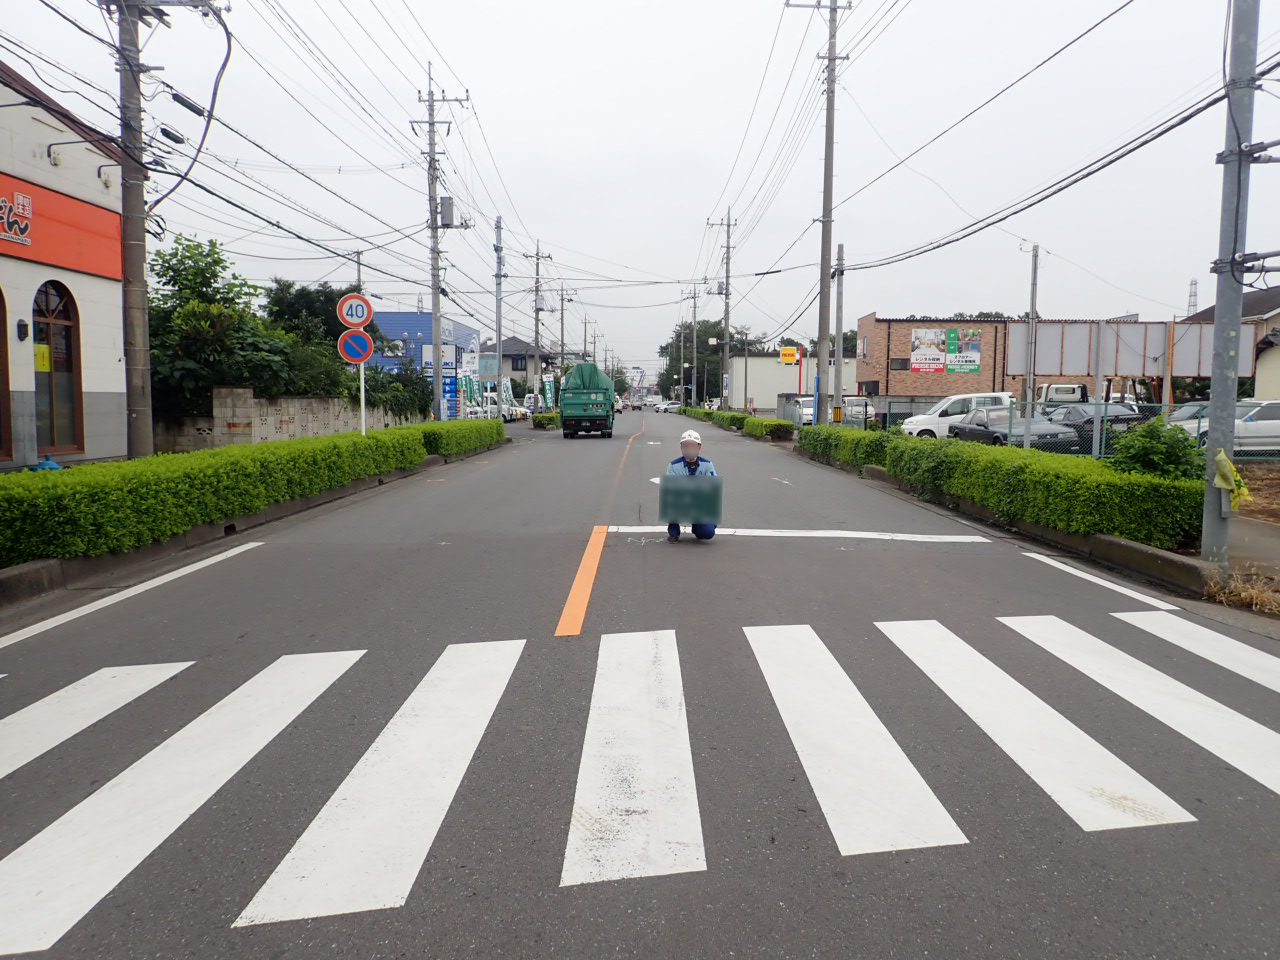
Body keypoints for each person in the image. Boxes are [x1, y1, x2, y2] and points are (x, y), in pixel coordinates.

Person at [666, 429, 717, 543]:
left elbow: (713, 486)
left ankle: (699, 524)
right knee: (669, 497)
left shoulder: (707, 464)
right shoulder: (674, 466)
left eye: (692, 445)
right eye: (686, 445)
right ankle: (673, 532)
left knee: (707, 533)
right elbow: (671, 487)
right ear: (681, 447)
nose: (689, 448)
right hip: (681, 500)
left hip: (700, 503)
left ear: (699, 447)